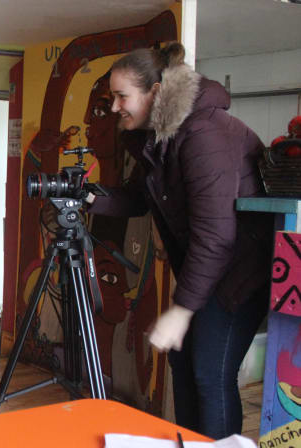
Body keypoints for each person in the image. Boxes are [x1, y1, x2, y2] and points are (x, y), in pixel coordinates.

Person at [85, 43, 272, 439]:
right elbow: (138, 198)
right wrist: (87, 197)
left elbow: (216, 234)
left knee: (209, 373)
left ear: (155, 92)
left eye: (122, 97)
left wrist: (181, 310)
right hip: (208, 269)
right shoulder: (158, 137)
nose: (115, 107)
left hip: (239, 271)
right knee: (183, 367)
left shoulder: (204, 133)